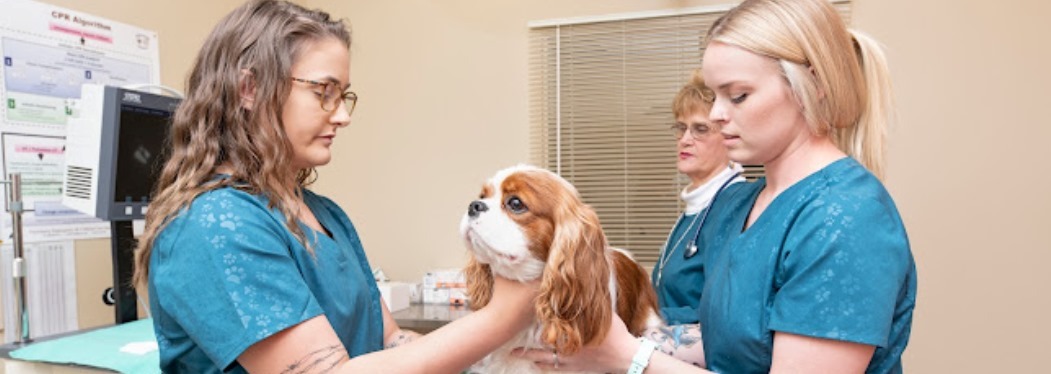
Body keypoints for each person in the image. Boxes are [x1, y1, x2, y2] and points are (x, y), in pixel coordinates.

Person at [131, 1, 535, 373]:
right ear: (249, 89)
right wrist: (503, 317)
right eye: (324, 92)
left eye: (344, 96)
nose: (342, 116)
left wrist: (517, 356)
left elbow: (391, 342)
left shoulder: (325, 215)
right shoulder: (214, 224)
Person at [515, 0, 917, 373]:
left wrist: (630, 358)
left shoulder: (846, 217)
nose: (717, 113)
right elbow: (728, 342)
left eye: (738, 96)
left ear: (813, 84)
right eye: (714, 96)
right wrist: (593, 341)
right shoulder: (737, 205)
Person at [652, 69, 743, 326]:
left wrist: (644, 319)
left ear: (730, 137)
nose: (685, 140)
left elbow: (724, 312)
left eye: (700, 129)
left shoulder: (736, 206)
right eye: (681, 128)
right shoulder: (694, 209)